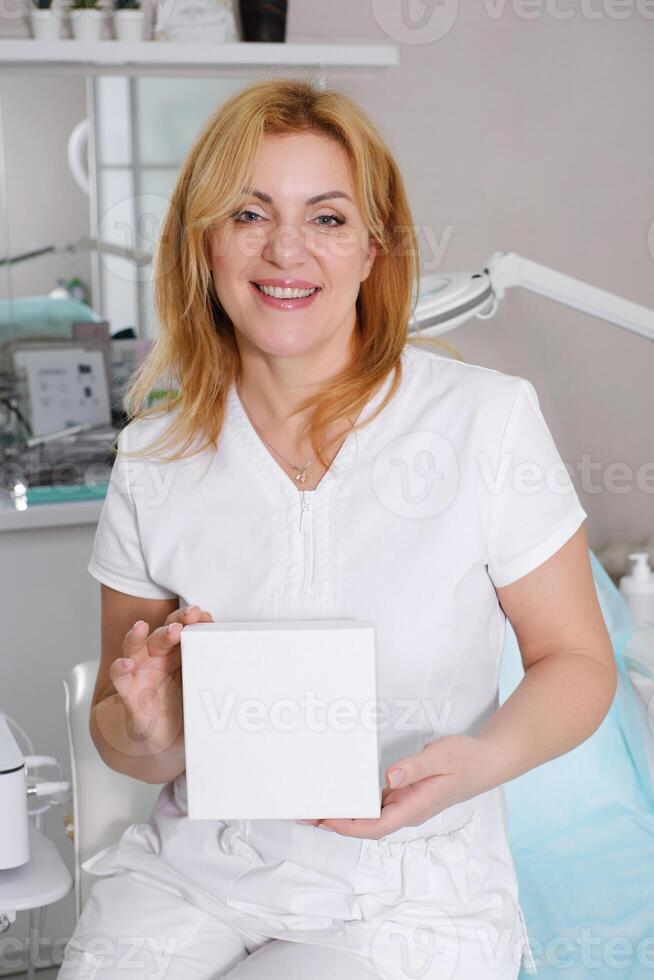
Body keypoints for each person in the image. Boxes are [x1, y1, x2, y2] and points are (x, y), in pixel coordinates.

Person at [57, 77, 617, 980]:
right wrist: (153, 729)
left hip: (407, 892)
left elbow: (580, 663)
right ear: (203, 244)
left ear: (375, 251)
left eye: (326, 218)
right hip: (197, 878)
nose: (286, 249)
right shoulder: (154, 456)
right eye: (248, 213)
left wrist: (475, 764)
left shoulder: (486, 420)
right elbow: (122, 737)